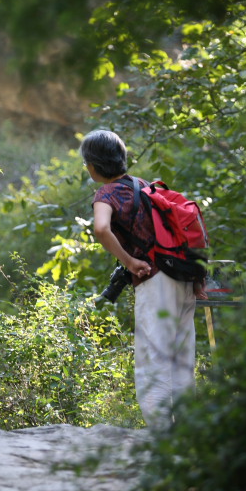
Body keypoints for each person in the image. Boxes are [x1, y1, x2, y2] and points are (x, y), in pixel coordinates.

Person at [80, 129, 199, 429]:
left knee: (153, 361)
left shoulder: (106, 193)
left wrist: (130, 262)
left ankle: (162, 440)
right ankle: (189, 436)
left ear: (94, 165)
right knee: (182, 362)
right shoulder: (145, 187)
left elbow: (101, 229)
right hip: (183, 281)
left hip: (156, 283)